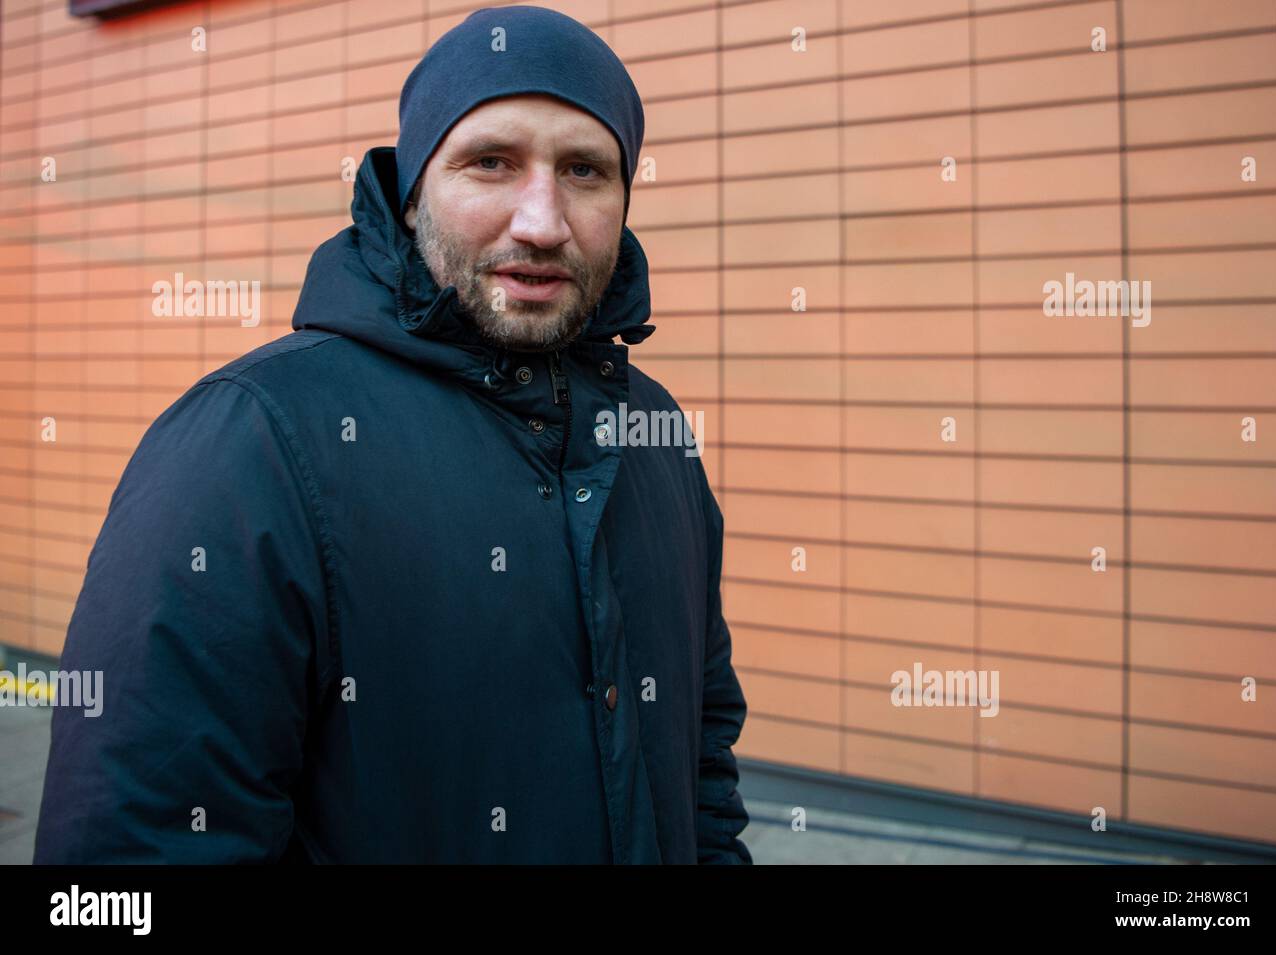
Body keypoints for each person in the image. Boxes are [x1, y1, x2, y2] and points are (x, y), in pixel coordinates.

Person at [33, 4, 752, 864]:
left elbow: (703, 759)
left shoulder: (656, 432)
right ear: (411, 196)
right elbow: (133, 851)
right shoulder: (251, 441)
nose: (542, 220)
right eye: (491, 162)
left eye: (586, 171)